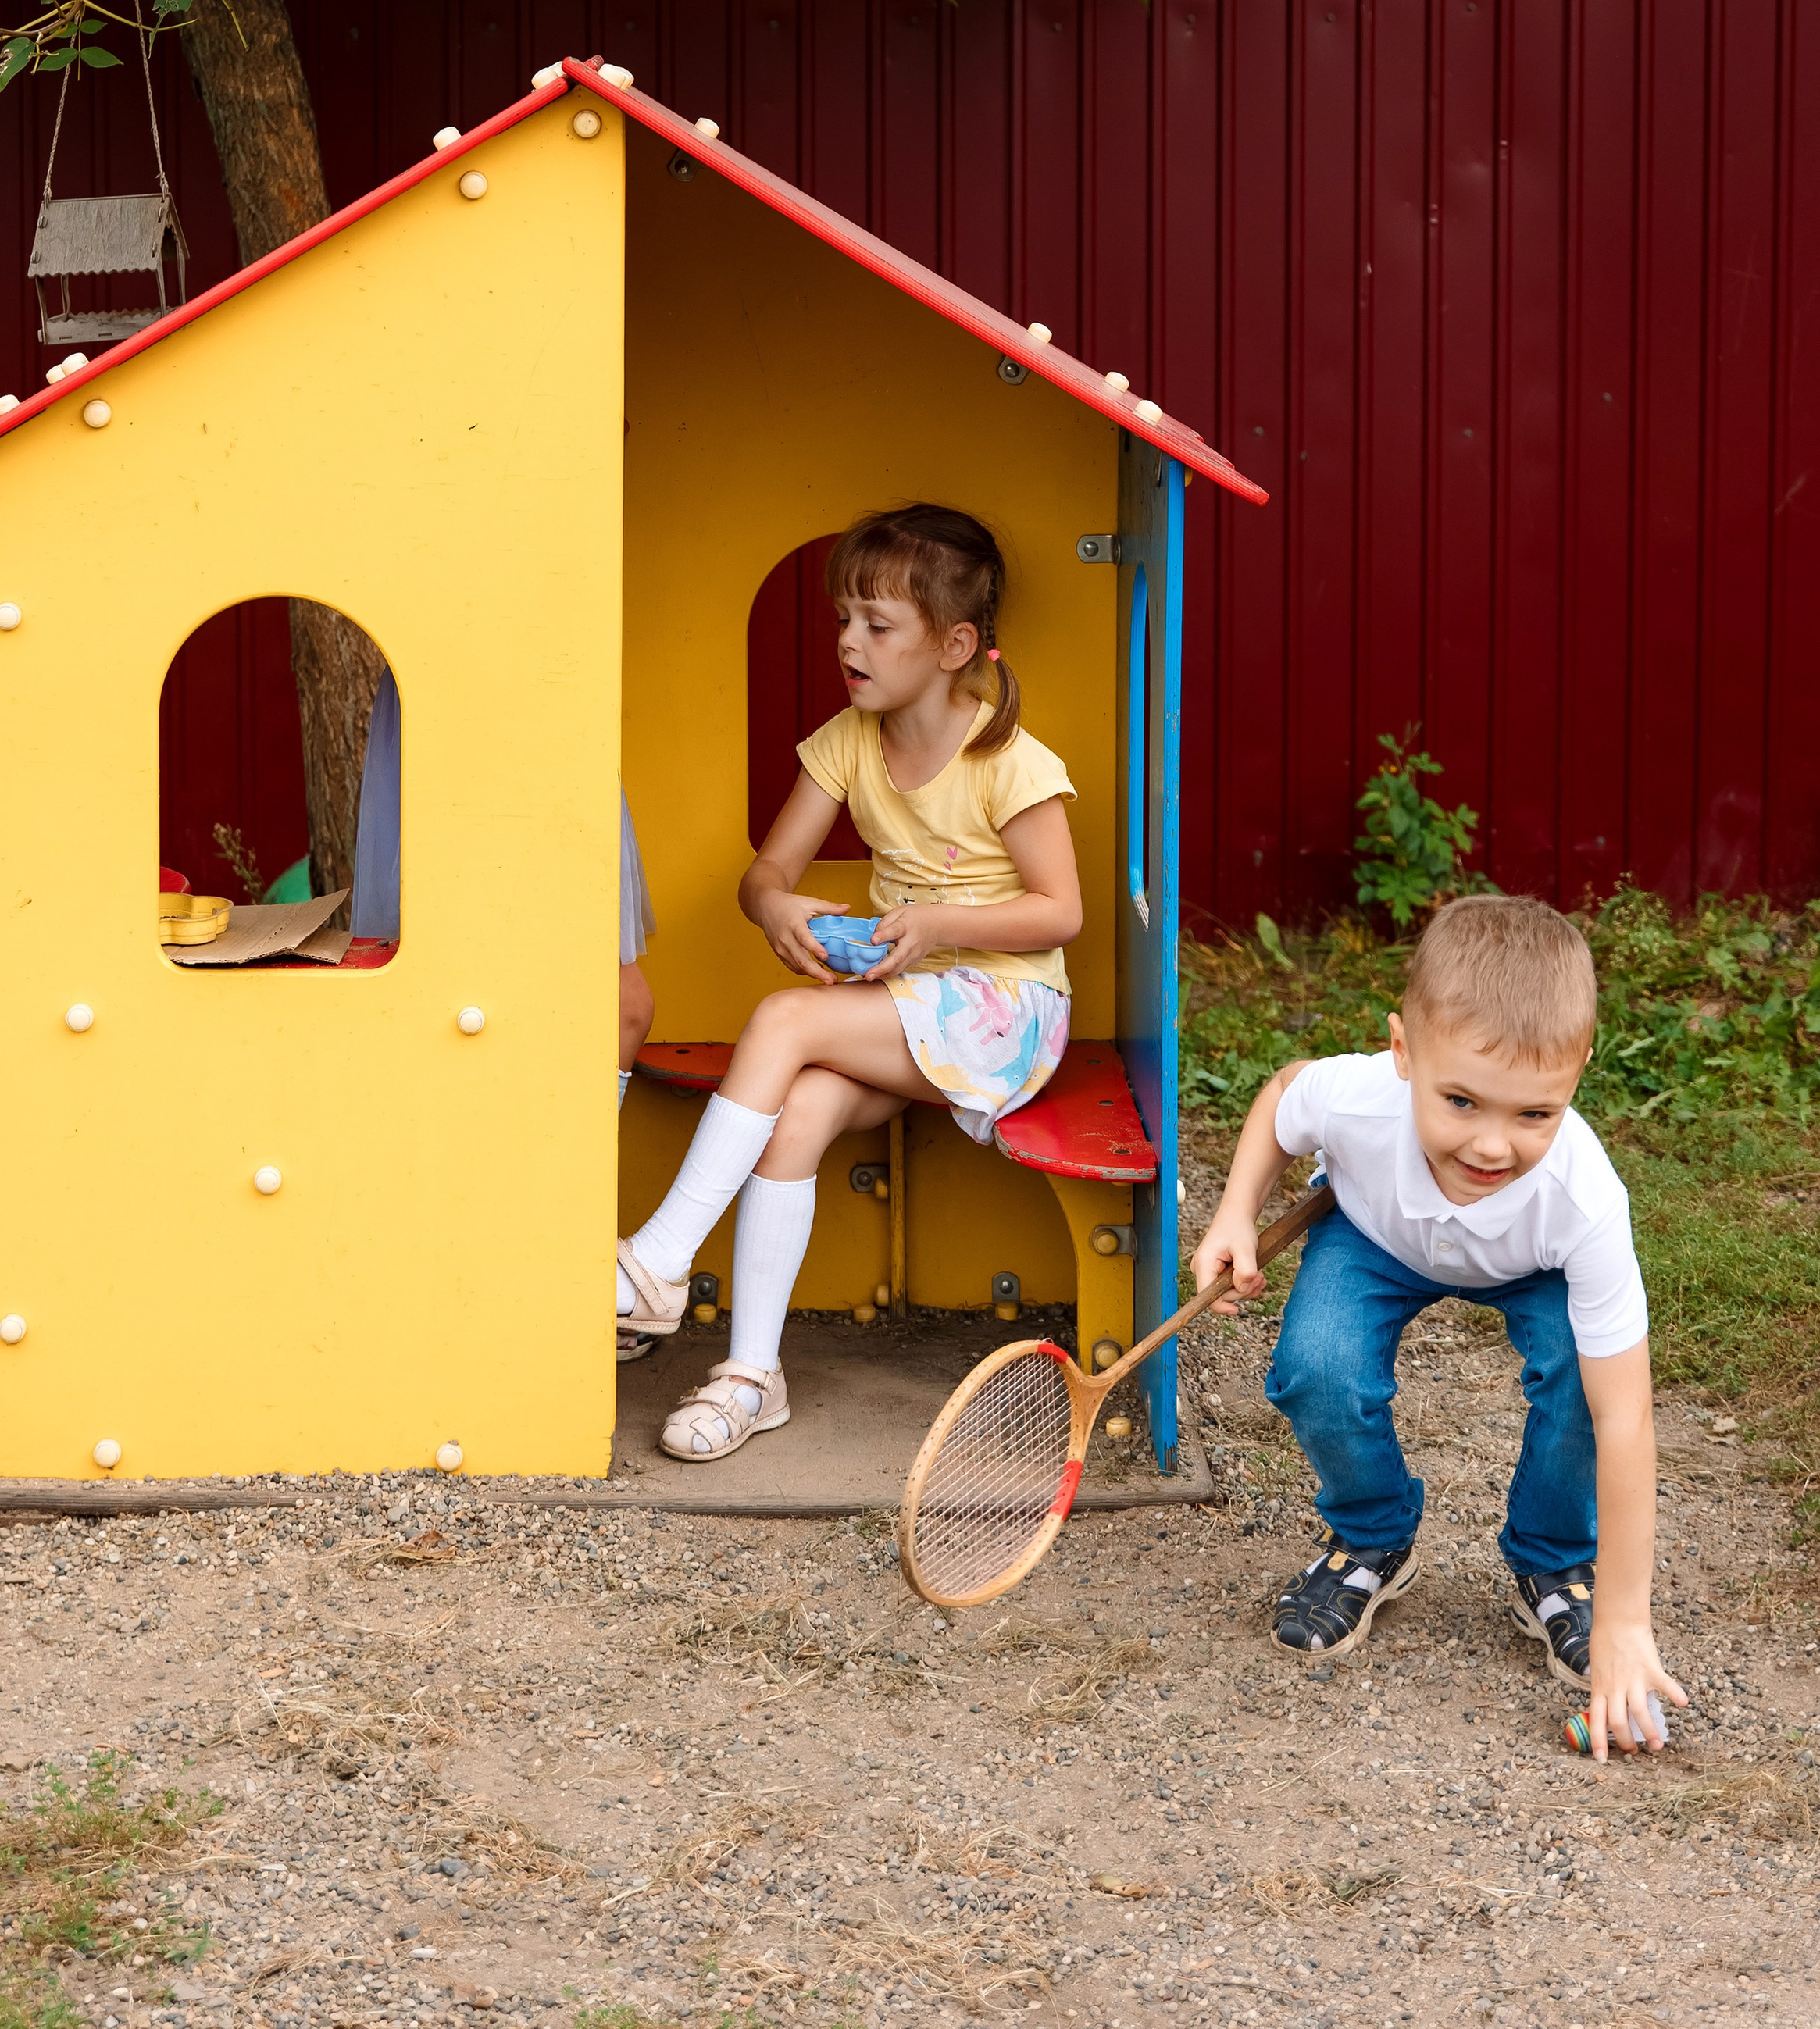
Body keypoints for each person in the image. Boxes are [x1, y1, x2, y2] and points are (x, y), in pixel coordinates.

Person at [616, 504, 1083, 1463]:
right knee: (800, 1109)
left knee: (786, 1020)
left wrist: (939, 924)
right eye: (843, 619)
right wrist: (777, 910)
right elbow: (764, 874)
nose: (848, 642)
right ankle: (753, 1376)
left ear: (955, 644)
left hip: (1008, 1011)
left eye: (877, 625)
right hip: (909, 1009)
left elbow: (1059, 912)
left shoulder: (1006, 759)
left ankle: (659, 1261)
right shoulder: (847, 741)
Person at [1195, 893, 1686, 1758]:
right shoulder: (1355, 1099)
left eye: (1534, 1114)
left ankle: (1552, 1557)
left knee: (1582, 1379)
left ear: (1575, 1078)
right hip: (1377, 1241)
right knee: (1318, 1366)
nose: (1493, 1145)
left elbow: (1626, 1416)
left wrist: (1624, 1619)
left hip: (1529, 1266)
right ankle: (1373, 1538)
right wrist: (1236, 1212)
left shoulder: (1583, 1200)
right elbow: (1280, 1100)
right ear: (1401, 1052)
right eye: (1460, 1101)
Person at [349, 672, 658, 1349]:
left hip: (536, 705)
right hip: (465, 707)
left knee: (614, 1004)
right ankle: (517, 1261)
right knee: (459, 1006)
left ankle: (558, 1251)